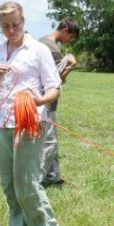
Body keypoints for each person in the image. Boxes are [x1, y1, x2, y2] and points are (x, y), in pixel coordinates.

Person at [0, 1, 65, 226]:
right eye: (6, 26)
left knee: (26, 182)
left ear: (23, 21)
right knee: (9, 183)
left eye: (15, 24)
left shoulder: (38, 50)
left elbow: (54, 88)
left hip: (29, 124)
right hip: (2, 124)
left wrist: (38, 101)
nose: (11, 30)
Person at [38, 19, 80, 186]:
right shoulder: (53, 50)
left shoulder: (41, 42)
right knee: (49, 142)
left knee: (51, 139)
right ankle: (36, 179)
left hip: (38, 101)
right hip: (46, 104)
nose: (69, 41)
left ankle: (54, 177)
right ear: (65, 30)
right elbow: (56, 81)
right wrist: (71, 65)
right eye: (71, 37)